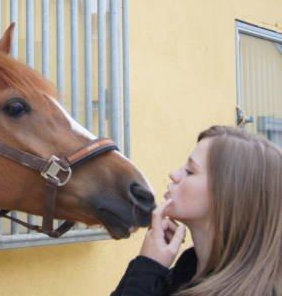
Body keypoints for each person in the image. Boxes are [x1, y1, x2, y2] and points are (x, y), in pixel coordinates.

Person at [111, 126, 282, 296]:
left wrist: (148, 268)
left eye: (190, 171)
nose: (174, 175)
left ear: (229, 195)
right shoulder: (183, 273)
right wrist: (149, 265)